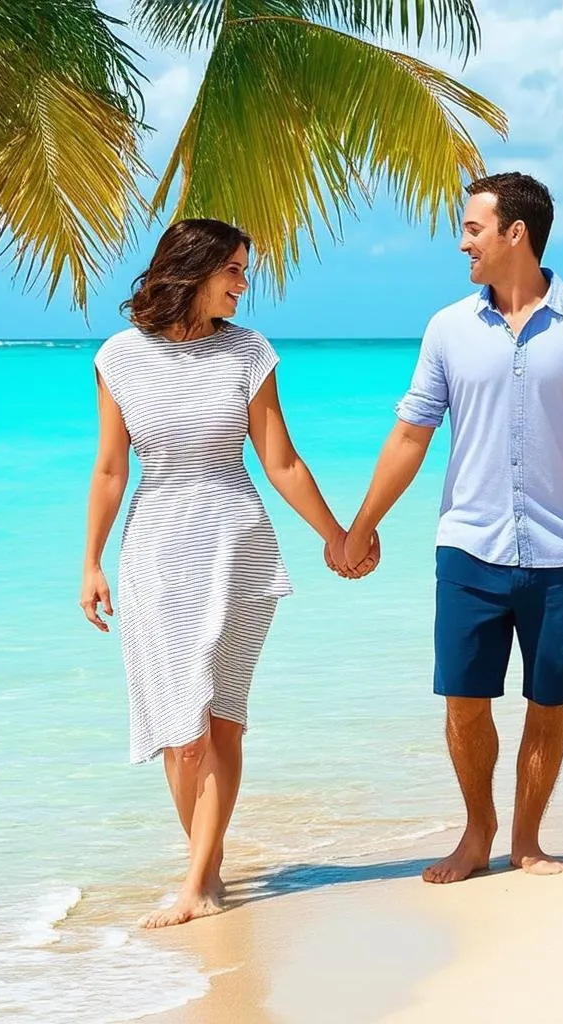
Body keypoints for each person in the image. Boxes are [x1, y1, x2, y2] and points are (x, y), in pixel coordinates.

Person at [79, 219, 378, 928]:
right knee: (180, 730)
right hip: (154, 550)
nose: (245, 285)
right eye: (235, 271)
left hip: (237, 548)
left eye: (244, 271)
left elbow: (279, 460)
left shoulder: (250, 353)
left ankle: (202, 880)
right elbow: (112, 467)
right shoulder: (119, 357)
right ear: (194, 269)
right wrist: (90, 559)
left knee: (221, 722)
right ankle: (204, 872)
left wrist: (337, 536)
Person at [343, 173, 563, 884]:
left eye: (473, 228)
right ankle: (478, 832)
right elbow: (411, 435)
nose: (462, 242)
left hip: (559, 550)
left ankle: (528, 840)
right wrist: (360, 527)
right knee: (465, 703)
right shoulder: (447, 328)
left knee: (549, 703)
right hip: (468, 547)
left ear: (516, 233)